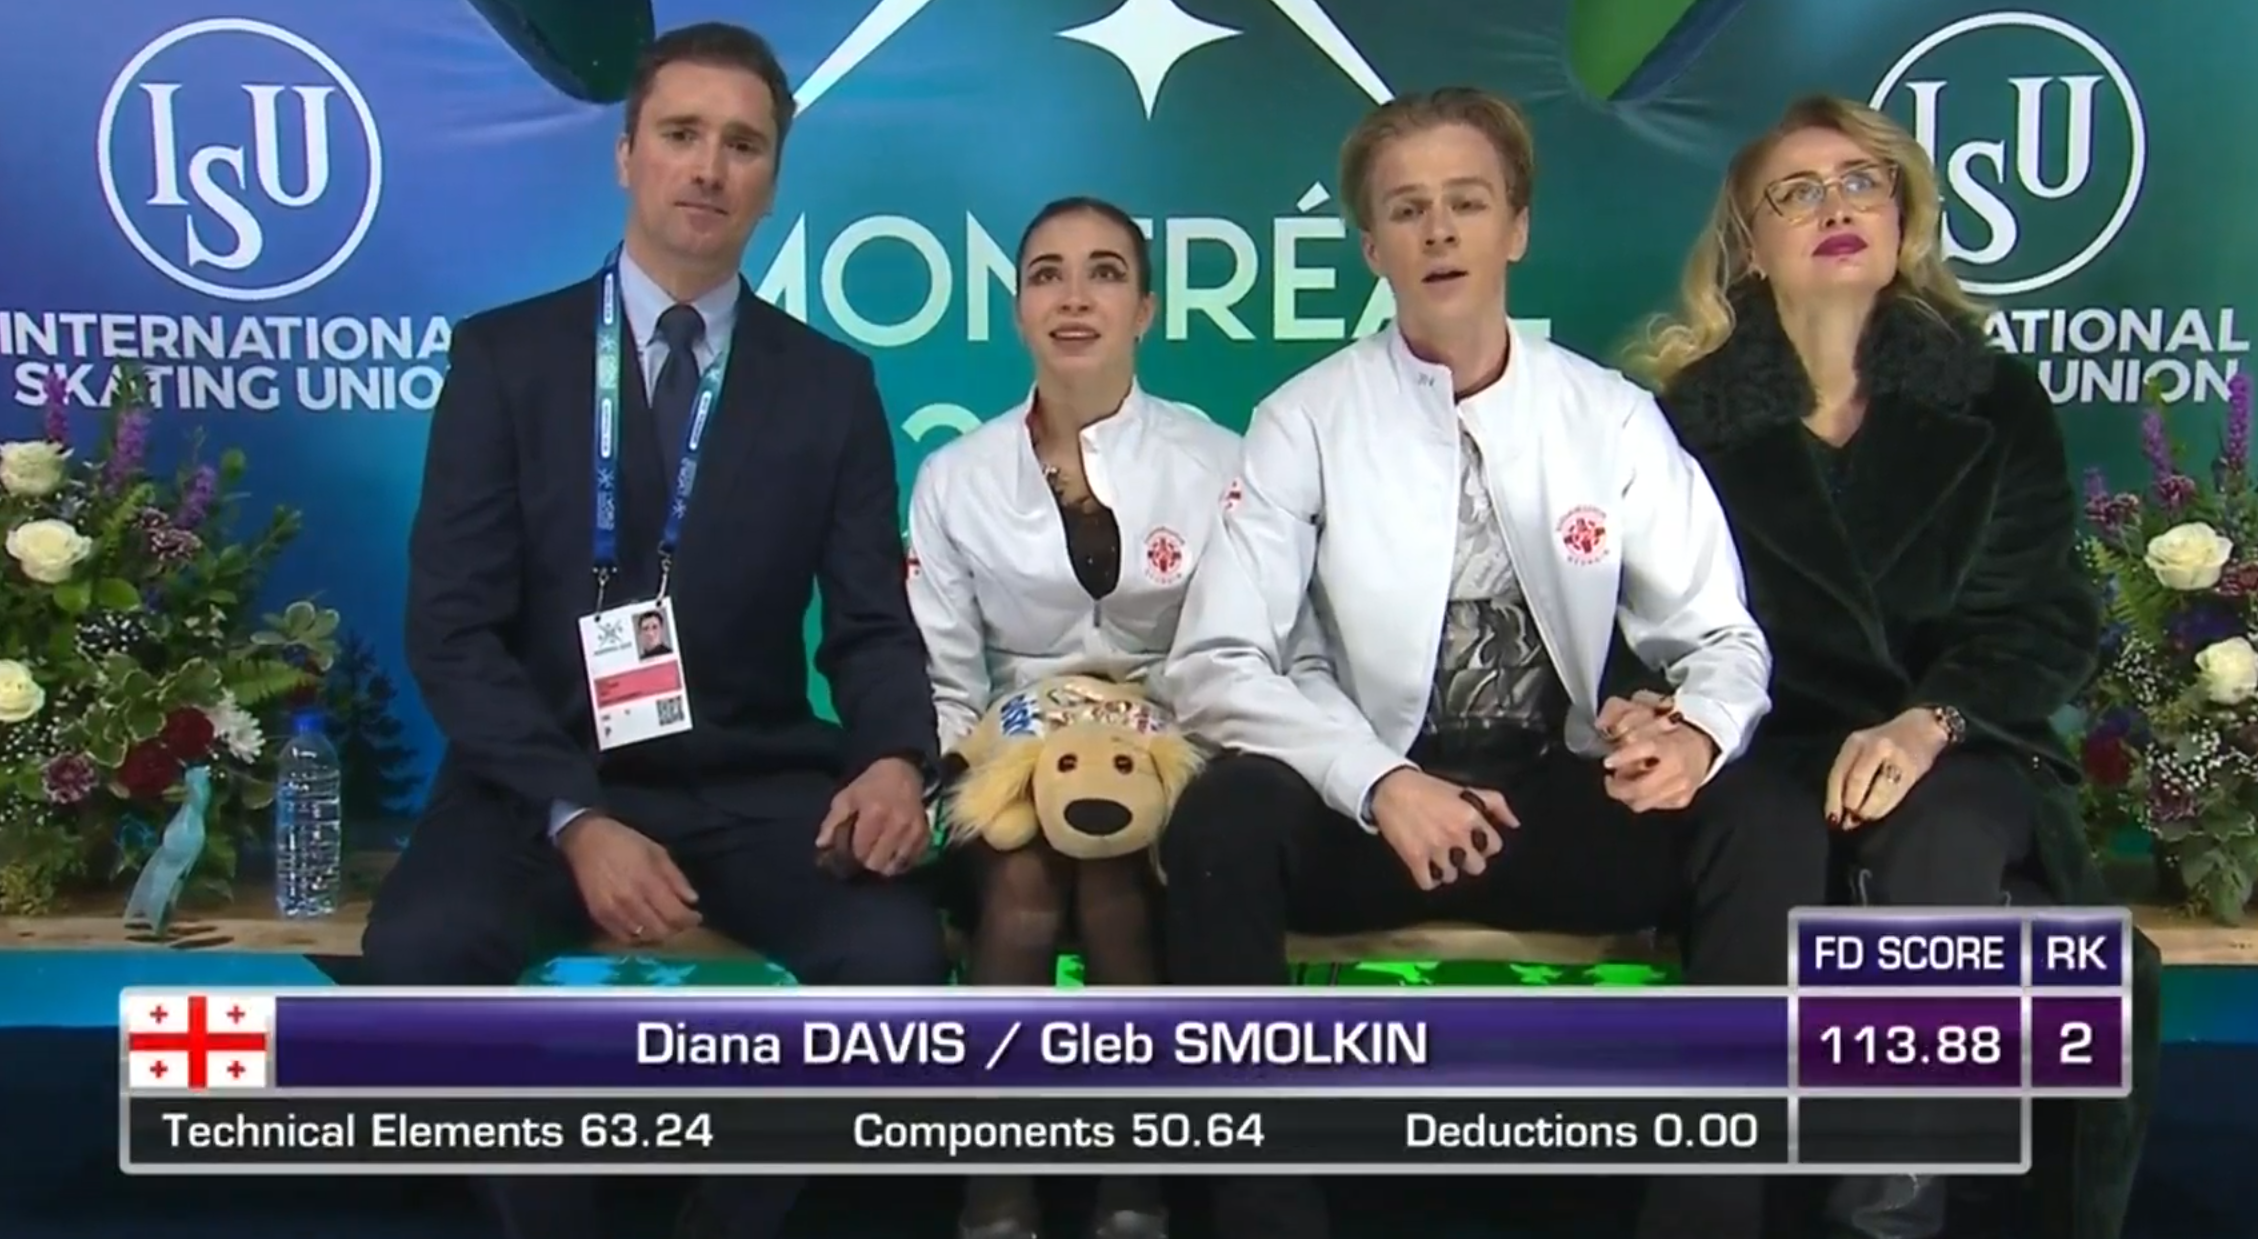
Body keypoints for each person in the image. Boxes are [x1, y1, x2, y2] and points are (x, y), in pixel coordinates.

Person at [1154, 87, 1829, 1239]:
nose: (1437, 232)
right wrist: (1376, 780)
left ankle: (1706, 1210)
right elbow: (1216, 661)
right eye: (1405, 209)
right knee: (1221, 820)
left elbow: (1720, 639)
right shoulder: (1302, 420)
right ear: (1370, 246)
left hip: (1552, 797)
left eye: (1465, 203)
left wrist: (1693, 732)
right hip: (1371, 811)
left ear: (1515, 227)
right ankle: (1262, 1211)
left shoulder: (1608, 417)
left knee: (1761, 820)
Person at [363, 23, 946, 1239]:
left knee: (896, 952)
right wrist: (576, 818)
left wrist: (894, 756)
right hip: (535, 786)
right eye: (681, 134)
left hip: (745, 779)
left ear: (772, 179)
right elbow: (452, 629)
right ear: (626, 154)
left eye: (742, 145)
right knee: (418, 948)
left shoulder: (829, 386)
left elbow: (870, 623)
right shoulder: (505, 359)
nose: (708, 168)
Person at [1630, 94, 2157, 1239]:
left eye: (1860, 183)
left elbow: (2040, 621)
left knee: (1940, 832)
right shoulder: (1681, 424)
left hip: (1959, 742)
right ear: (1748, 246)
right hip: (1768, 756)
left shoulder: (1990, 401)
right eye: (1797, 192)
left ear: (1901, 218)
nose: (1836, 207)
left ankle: (1884, 1209)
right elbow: (1651, 630)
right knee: (1776, 841)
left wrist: (1929, 722)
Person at [906, 195, 1238, 1239]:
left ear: (1145, 309)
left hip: (1170, 748)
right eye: (1047, 275)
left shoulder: (1218, 462)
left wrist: (1169, 748)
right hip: (1009, 751)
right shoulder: (954, 477)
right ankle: (995, 1189)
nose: (1074, 297)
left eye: (1104, 272)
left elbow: (1242, 653)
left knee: (1111, 881)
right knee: (1018, 886)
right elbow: (945, 682)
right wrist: (964, 773)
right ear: (1018, 310)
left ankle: (1133, 1187)